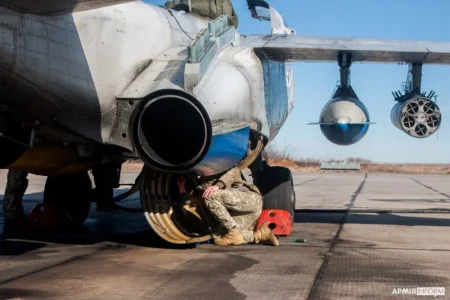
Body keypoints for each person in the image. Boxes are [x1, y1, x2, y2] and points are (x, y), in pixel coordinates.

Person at [177, 167, 279, 246]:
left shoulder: (222, 167)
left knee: (211, 195)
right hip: (240, 212)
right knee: (217, 237)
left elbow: (234, 172)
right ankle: (260, 234)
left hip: (250, 200)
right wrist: (182, 189)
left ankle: (233, 231)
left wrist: (218, 185)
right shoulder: (201, 189)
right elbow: (189, 202)